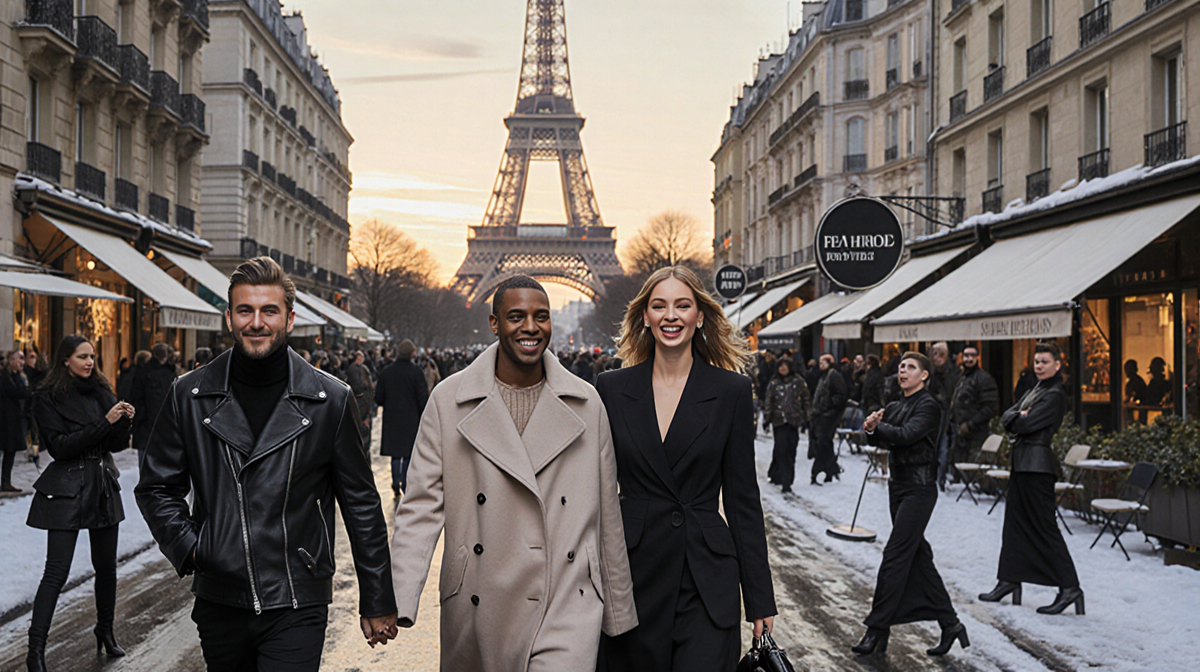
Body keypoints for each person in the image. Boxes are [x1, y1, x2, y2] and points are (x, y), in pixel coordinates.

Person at [136, 257, 397, 671]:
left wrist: (378, 597)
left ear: (289, 319)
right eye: (245, 310)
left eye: (269, 311)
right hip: (220, 598)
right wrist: (194, 549)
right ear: (229, 318)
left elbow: (361, 504)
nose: (256, 322)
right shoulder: (189, 395)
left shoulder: (330, 400)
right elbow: (156, 487)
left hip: (298, 596)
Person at [390, 275, 636, 671]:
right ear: (494, 323)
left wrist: (618, 608)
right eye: (516, 316)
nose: (530, 327)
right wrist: (395, 596)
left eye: (541, 316)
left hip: (566, 602)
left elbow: (607, 511)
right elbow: (420, 508)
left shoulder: (587, 403)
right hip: (479, 603)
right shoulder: (448, 401)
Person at [596, 266, 776, 672]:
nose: (671, 316)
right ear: (645, 316)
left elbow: (743, 501)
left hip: (706, 580)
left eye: (682, 305)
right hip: (632, 577)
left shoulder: (731, 391)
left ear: (700, 316)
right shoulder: (611, 389)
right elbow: (595, 491)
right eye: (659, 306)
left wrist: (760, 599)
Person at [25, 335, 135, 671]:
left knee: (106, 568)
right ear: (65, 360)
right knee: (56, 572)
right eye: (82, 356)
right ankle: (35, 650)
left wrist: (124, 421)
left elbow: (115, 445)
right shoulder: (47, 396)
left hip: (102, 482)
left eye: (92, 356)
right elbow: (59, 447)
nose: (89, 362)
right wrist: (106, 422)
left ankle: (105, 629)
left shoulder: (101, 391)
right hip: (67, 486)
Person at [854, 352, 967, 657]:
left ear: (924, 375)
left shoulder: (929, 406)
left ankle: (877, 629)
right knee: (918, 557)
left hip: (920, 489)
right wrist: (871, 427)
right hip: (898, 486)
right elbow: (882, 440)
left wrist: (879, 428)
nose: (903, 371)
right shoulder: (894, 405)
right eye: (902, 366)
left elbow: (905, 436)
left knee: (894, 555)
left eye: (911, 367)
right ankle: (950, 624)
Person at [980, 341, 1084, 617]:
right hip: (1024, 463)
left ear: (1057, 365)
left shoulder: (1055, 394)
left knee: (1044, 526)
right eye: (1037, 361)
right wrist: (1017, 416)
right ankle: (1009, 580)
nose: (1039, 366)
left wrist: (1018, 417)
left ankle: (1070, 587)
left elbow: (1024, 423)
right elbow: (1007, 416)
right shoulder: (1037, 390)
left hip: (1038, 466)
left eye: (1045, 362)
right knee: (1014, 524)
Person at [374, 339, 428, 498]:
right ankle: (405, 481)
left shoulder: (387, 372)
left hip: (392, 418)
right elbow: (423, 398)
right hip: (411, 419)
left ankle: (395, 480)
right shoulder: (416, 372)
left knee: (395, 454)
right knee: (408, 454)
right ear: (412, 353)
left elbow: (378, 397)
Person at [949, 346, 999, 479]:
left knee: (972, 470)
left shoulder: (984, 379)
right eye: (966, 355)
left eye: (972, 355)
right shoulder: (962, 377)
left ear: (978, 357)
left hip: (976, 433)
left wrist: (970, 424)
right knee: (960, 466)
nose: (969, 359)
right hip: (960, 431)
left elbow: (990, 408)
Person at [763, 357, 812, 493]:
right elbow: (769, 402)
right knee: (780, 450)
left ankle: (787, 479)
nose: (783, 368)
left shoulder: (798, 382)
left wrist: (807, 418)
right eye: (780, 366)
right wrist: (767, 419)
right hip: (779, 422)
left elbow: (806, 400)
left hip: (793, 421)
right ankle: (782, 477)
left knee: (790, 451)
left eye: (785, 366)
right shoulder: (774, 384)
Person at [130, 343, 177, 461]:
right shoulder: (171, 373)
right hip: (164, 424)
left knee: (146, 458)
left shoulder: (144, 372)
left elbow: (136, 397)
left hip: (147, 423)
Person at [810, 353, 848, 485]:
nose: (820, 365)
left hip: (829, 415)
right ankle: (830, 469)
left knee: (823, 442)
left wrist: (828, 405)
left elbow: (841, 395)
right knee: (824, 443)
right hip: (821, 414)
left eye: (823, 362)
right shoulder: (824, 376)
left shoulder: (834, 376)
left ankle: (821, 470)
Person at [1, 350, 33, 492]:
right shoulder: (5, 377)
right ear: (10, 360)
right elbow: (15, 392)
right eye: (18, 359)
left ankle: (6, 481)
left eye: (22, 359)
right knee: (8, 450)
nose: (21, 362)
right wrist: (28, 390)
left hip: (14, 419)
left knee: (10, 451)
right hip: (6, 419)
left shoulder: (18, 376)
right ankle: (5, 482)